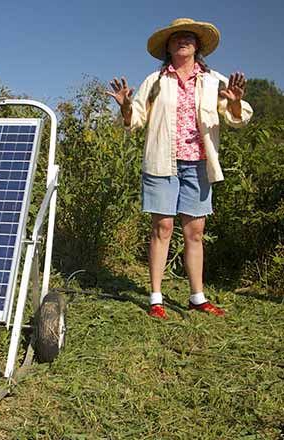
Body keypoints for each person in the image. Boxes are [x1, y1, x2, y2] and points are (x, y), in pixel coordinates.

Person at [105, 18, 253, 319]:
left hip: (199, 164)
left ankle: (197, 297)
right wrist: (125, 106)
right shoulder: (156, 81)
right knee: (163, 228)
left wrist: (236, 103)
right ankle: (156, 299)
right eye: (176, 38)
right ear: (168, 47)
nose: (183, 41)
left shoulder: (214, 81)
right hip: (162, 161)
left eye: (189, 37)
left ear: (197, 45)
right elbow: (136, 119)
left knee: (195, 231)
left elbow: (237, 117)